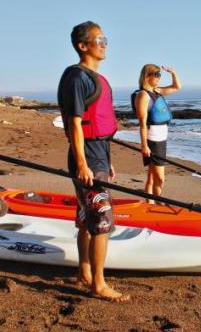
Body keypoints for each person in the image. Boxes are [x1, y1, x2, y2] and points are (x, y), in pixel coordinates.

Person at [57, 21, 129, 302]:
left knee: (86, 219)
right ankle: (98, 284)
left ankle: (84, 271)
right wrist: (83, 164)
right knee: (101, 222)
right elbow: (75, 124)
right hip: (86, 157)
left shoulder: (92, 77)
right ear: (82, 45)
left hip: (97, 155)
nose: (104, 43)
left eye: (105, 38)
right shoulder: (77, 78)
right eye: (99, 39)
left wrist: (105, 160)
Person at [131, 64, 181, 203]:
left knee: (152, 177)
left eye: (160, 75)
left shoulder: (156, 91)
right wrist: (144, 145)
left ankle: (150, 204)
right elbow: (142, 124)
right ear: (147, 76)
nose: (159, 78)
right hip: (153, 139)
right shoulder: (143, 95)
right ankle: (158, 202)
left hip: (161, 137)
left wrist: (173, 72)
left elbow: (177, 87)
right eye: (157, 75)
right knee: (160, 178)